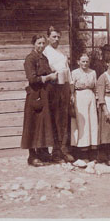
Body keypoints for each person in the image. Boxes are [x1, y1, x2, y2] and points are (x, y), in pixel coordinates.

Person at [21, 34, 57, 167]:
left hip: (44, 95)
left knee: (43, 123)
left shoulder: (44, 58)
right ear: (33, 43)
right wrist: (48, 77)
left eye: (43, 43)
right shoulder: (30, 59)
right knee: (33, 123)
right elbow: (32, 79)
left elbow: (45, 73)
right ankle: (32, 156)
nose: (41, 46)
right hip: (35, 94)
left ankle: (43, 152)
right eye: (39, 43)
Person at [43, 26, 75, 162]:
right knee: (55, 119)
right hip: (54, 88)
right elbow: (46, 71)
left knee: (64, 119)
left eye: (58, 37)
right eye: (54, 36)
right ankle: (56, 152)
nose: (56, 39)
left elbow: (67, 71)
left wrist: (71, 91)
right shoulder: (45, 53)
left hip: (65, 87)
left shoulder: (61, 53)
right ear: (48, 37)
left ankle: (63, 149)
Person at [70, 53, 99, 160]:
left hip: (90, 97)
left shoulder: (93, 72)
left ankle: (92, 148)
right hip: (79, 97)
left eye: (87, 61)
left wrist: (96, 100)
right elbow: (71, 89)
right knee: (82, 123)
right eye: (83, 61)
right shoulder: (74, 73)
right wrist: (72, 100)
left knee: (92, 122)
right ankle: (82, 150)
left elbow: (95, 87)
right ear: (78, 62)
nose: (85, 63)